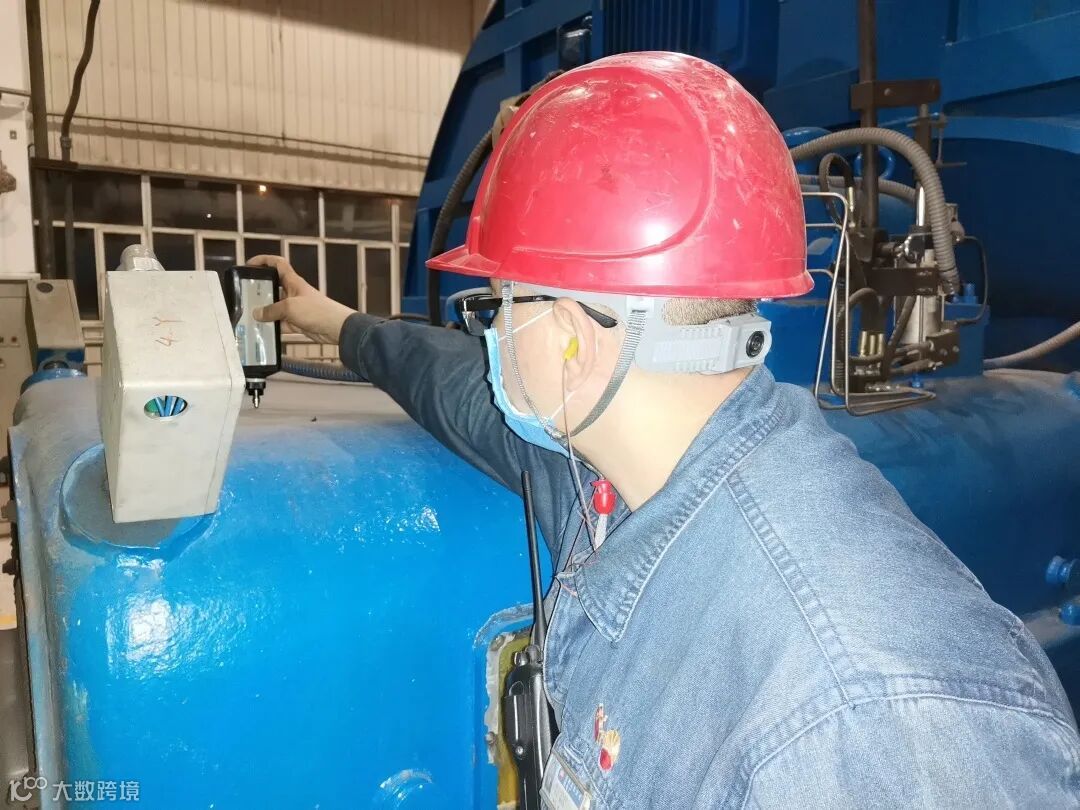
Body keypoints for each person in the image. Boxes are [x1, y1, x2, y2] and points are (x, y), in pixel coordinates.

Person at [252, 53, 1080, 808]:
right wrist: (335, 321)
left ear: (571, 339)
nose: (490, 335)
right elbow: (458, 386)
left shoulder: (862, 725)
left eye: (496, 307)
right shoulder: (610, 474)